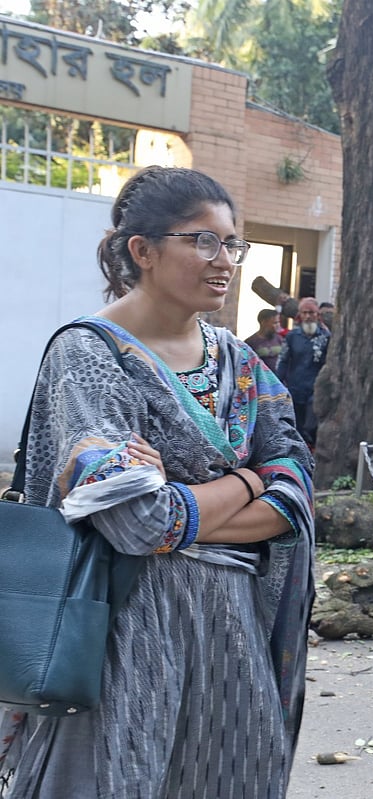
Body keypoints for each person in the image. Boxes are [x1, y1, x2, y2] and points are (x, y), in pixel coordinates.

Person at [0, 165, 315, 797]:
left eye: (233, 244)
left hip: (233, 628)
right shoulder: (87, 357)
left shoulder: (240, 363)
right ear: (141, 250)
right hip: (120, 625)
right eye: (203, 241)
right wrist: (252, 480)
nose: (223, 260)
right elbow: (140, 522)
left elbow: (300, 484)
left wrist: (183, 493)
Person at [276, 296, 330, 445]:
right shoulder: (292, 337)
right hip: (295, 389)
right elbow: (283, 360)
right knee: (296, 428)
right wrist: (276, 384)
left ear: (317, 315)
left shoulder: (326, 337)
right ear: (300, 315)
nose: (308, 316)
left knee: (311, 427)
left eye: (311, 313)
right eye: (304, 313)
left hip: (316, 390)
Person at [245, 306, 285, 371]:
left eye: (278, 322)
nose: (278, 325)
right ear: (263, 322)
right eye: (275, 323)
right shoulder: (250, 342)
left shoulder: (280, 339)